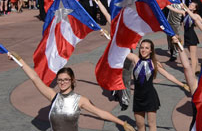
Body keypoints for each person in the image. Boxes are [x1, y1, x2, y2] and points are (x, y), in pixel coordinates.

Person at [6, 53, 134, 131]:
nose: (62, 82)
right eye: (60, 80)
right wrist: (20, 61)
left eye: (66, 79)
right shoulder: (53, 96)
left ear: (72, 80)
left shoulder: (80, 100)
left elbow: (101, 113)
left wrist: (122, 123)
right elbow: (35, 78)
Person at [127, 38, 188, 131]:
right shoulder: (135, 59)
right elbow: (120, 50)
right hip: (138, 97)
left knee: (151, 124)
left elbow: (168, 75)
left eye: (147, 48)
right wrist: (110, 38)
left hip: (150, 96)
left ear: (151, 50)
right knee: (140, 125)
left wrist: (182, 85)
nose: (143, 50)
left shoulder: (154, 63)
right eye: (142, 47)